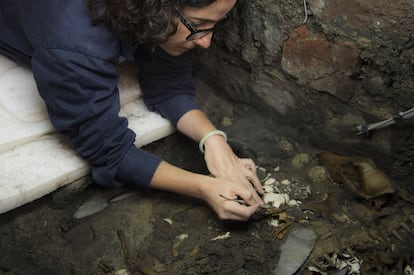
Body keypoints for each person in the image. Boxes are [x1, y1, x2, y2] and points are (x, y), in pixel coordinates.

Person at [0, 0, 264, 220]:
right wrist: (203, 187)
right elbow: (109, 152)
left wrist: (212, 138)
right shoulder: (74, 45)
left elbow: (168, 85)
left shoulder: (155, 13)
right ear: (158, 11)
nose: (206, 42)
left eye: (217, 23)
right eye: (199, 25)